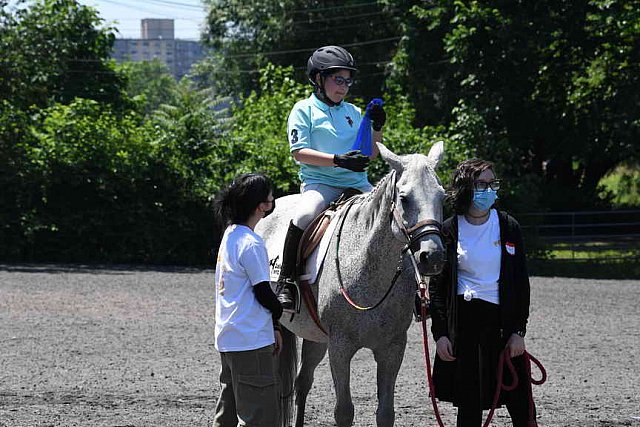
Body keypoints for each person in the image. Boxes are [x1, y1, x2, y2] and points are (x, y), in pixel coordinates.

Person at [277, 45, 386, 311]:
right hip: (321, 184)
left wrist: (378, 127)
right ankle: (287, 282)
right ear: (318, 79)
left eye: (348, 81)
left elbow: (370, 155)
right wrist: (338, 160)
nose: (344, 86)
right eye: (338, 79)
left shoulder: (353, 111)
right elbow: (299, 153)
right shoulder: (303, 110)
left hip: (358, 185)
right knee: (303, 216)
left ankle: (411, 287)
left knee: (391, 216)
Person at [429, 159, 536, 427]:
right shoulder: (448, 230)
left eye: (492, 184)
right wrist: (440, 334)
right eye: (481, 184)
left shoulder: (509, 226)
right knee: (469, 407)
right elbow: (438, 289)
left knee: (522, 408)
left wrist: (518, 332)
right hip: (464, 328)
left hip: (503, 326)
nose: (488, 190)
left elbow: (521, 284)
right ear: (466, 188)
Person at [212, 173, 284, 427]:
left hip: (228, 338)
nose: (273, 198)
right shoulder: (252, 243)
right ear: (262, 205)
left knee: (227, 416)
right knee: (259, 419)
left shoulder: (230, 234)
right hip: (251, 342)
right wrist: (280, 309)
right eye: (270, 195)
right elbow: (263, 293)